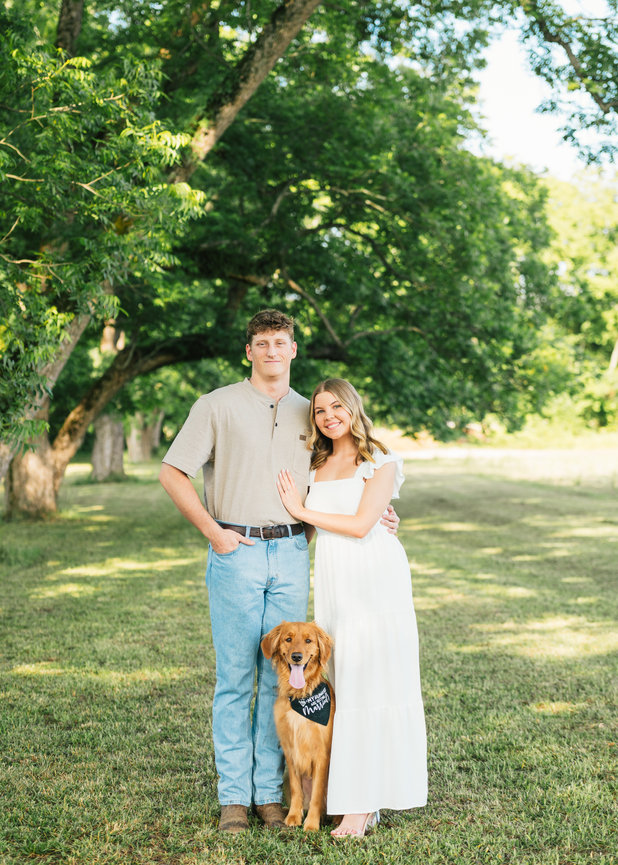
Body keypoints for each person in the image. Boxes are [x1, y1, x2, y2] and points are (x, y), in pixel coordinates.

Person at [158, 311, 399, 833]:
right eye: (261, 343)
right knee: (235, 679)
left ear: (294, 350)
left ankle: (271, 795)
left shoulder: (309, 414)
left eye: (280, 342)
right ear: (249, 351)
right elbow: (171, 472)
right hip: (234, 550)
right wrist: (214, 532)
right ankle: (233, 799)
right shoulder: (215, 405)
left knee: (287, 680)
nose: (271, 350)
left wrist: (379, 512)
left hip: (292, 554)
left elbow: (344, 474)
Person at [277, 378, 427, 838]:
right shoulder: (315, 462)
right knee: (344, 683)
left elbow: (363, 525)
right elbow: (339, 518)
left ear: (353, 408)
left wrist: (302, 510)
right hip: (335, 581)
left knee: (371, 682)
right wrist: (300, 509)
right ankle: (343, 794)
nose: (328, 416)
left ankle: (360, 807)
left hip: (375, 580)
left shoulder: (379, 460)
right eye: (320, 411)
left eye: (336, 407)